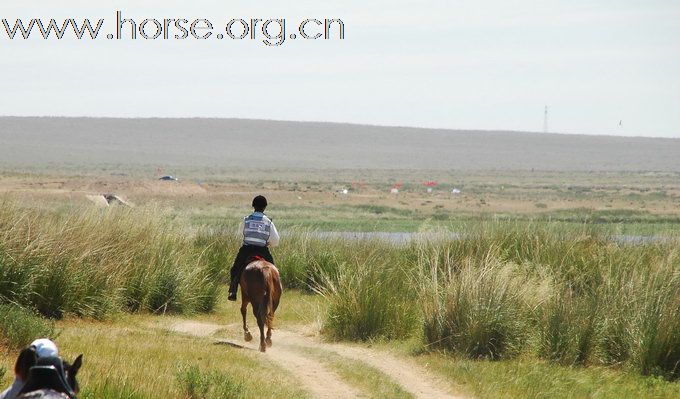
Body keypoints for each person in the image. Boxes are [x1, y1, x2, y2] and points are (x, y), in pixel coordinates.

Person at [227, 195, 279, 301]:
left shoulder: (246, 220)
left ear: (253, 206)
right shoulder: (269, 222)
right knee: (274, 271)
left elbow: (240, 234)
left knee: (235, 269)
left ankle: (233, 291)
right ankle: (275, 292)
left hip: (247, 250)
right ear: (265, 207)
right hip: (262, 250)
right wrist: (267, 243)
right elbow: (275, 240)